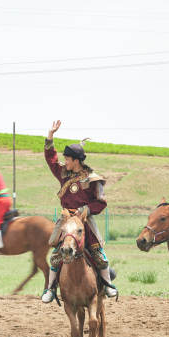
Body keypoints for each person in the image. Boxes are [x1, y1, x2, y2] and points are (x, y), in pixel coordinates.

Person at [42, 121, 116, 303]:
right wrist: (50, 136)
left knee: (98, 254)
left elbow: (101, 203)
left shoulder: (92, 179)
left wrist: (85, 210)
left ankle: (108, 284)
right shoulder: (63, 173)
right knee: (56, 255)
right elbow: (51, 159)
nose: (65, 161)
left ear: (76, 161)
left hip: (84, 221)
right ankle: (50, 289)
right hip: (66, 221)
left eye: (67, 159)